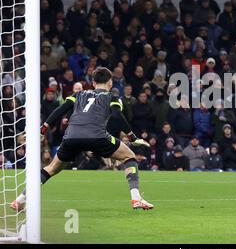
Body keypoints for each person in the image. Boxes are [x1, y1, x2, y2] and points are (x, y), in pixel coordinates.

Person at [11, 68, 154, 211]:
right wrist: (132, 137)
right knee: (129, 156)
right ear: (110, 83)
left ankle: (20, 200)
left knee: (51, 168)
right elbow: (116, 115)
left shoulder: (79, 94)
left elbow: (61, 110)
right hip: (97, 136)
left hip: (71, 137)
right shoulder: (112, 97)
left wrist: (42, 130)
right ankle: (136, 198)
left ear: (93, 82)